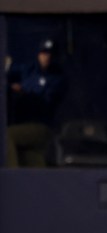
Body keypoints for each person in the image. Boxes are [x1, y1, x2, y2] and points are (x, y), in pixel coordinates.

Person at [6, 38, 66, 167]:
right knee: (30, 158)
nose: (47, 57)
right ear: (39, 54)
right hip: (23, 125)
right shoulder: (30, 69)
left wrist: (23, 90)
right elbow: (9, 71)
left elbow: (43, 103)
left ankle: (11, 181)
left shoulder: (57, 78)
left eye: (50, 54)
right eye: (44, 53)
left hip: (42, 127)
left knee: (6, 135)